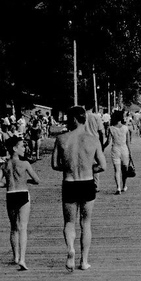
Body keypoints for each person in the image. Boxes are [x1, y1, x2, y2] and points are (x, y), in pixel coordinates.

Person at [51, 106, 107, 271]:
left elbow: (54, 164)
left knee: (69, 222)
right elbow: (103, 166)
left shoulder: (61, 139)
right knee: (86, 223)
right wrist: (89, 168)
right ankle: (84, 261)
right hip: (87, 182)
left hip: (69, 182)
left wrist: (69, 168)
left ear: (74, 119)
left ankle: (70, 249)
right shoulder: (93, 139)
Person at [0, 136, 40, 270]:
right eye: (22, 146)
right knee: (23, 227)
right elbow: (37, 180)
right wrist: (26, 182)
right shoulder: (25, 164)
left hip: (10, 194)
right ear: (15, 148)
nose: (24, 148)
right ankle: (22, 259)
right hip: (23, 193)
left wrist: (7, 183)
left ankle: (15, 256)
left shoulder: (4, 165)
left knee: (13, 227)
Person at [103, 111, 132, 195]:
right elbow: (128, 142)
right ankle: (124, 186)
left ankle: (118, 188)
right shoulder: (125, 128)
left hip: (115, 149)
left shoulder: (111, 128)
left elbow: (108, 141)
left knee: (117, 170)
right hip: (124, 149)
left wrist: (102, 147)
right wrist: (130, 153)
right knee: (124, 169)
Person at [85, 103, 105, 191]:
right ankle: (96, 184)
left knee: (85, 163)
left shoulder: (82, 117)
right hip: (95, 141)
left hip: (84, 141)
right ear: (93, 107)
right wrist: (102, 144)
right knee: (96, 163)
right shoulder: (96, 117)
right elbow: (102, 132)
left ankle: (85, 182)